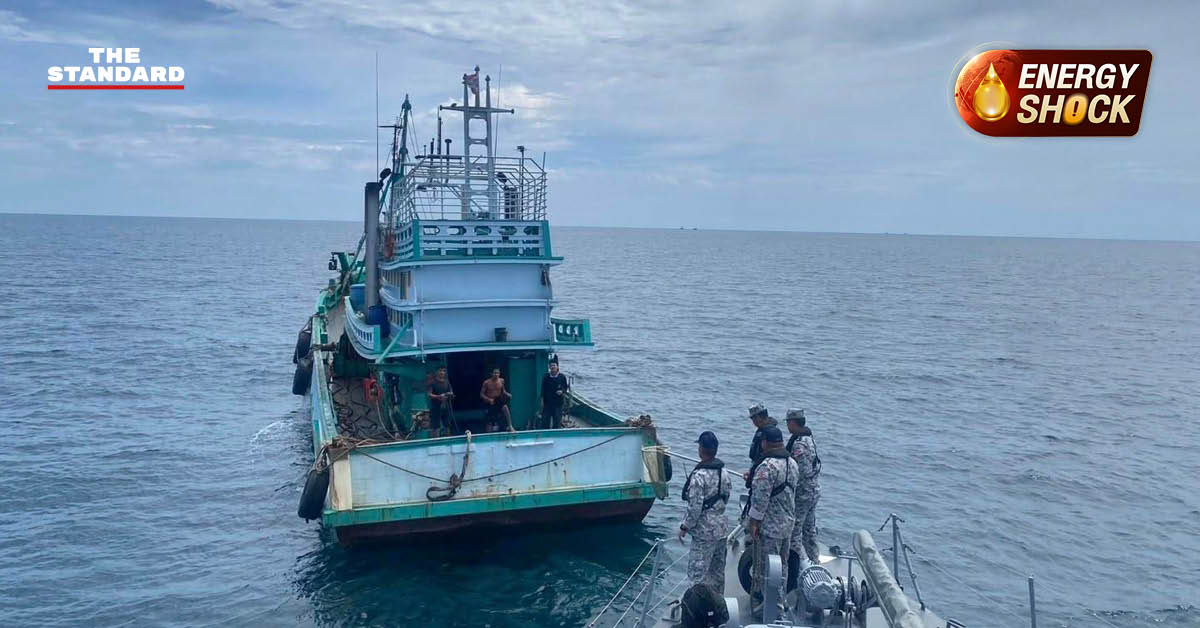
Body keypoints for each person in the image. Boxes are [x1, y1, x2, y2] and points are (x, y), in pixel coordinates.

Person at [746, 425, 799, 619]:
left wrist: (753, 524)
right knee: (782, 566)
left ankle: (770, 609)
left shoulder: (767, 466)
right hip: (787, 524)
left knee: (766, 568)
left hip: (769, 528)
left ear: (765, 443)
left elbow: (760, 500)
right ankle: (780, 601)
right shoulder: (792, 463)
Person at [678, 431, 732, 591]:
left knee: (697, 575)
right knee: (717, 574)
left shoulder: (699, 476)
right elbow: (726, 497)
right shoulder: (725, 472)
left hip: (704, 532)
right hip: (721, 527)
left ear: (701, 449)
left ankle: (697, 610)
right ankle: (717, 607)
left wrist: (684, 527)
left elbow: (694, 507)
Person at [785, 408, 821, 566]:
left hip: (803, 494)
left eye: (787, 422)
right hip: (813, 491)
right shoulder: (810, 439)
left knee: (795, 532)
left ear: (792, 422)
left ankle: (802, 566)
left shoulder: (799, 444)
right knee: (809, 529)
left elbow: (802, 472)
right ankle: (814, 560)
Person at [746, 403, 778, 469]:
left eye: (753, 418)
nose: (753, 421)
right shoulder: (761, 429)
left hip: (764, 466)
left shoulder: (769, 432)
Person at [540, 359, 570, 429]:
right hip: (547, 403)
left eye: (554, 365)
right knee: (545, 420)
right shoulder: (546, 377)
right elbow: (543, 389)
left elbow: (565, 388)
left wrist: (562, 391)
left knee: (557, 420)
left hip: (558, 403)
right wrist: (542, 401)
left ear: (557, 367)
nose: (552, 367)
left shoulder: (562, 377)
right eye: (551, 366)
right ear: (549, 367)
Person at [426, 366, 454, 437]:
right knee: (435, 426)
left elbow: (451, 392)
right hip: (436, 407)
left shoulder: (447, 382)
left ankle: (448, 441)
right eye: (440, 371)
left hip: (446, 406)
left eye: (443, 371)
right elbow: (429, 394)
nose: (442, 372)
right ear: (437, 372)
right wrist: (439, 396)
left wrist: (450, 394)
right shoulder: (432, 383)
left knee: (447, 424)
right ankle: (435, 441)